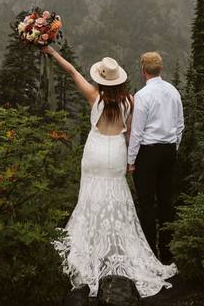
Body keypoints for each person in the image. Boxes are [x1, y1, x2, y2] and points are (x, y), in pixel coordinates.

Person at [44, 45, 177, 298]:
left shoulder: (95, 97)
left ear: (102, 78)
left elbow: (72, 71)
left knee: (90, 196)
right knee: (116, 196)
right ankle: (116, 247)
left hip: (95, 151)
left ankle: (92, 246)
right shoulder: (130, 101)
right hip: (116, 150)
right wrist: (131, 160)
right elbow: (131, 133)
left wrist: (52, 53)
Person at [127, 51, 184, 264]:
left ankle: (150, 252)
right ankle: (168, 252)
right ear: (160, 69)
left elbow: (137, 131)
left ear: (143, 71)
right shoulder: (173, 91)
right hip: (169, 150)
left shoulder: (142, 96)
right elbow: (180, 125)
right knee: (166, 201)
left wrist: (131, 160)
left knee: (147, 203)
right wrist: (174, 146)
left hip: (148, 152)